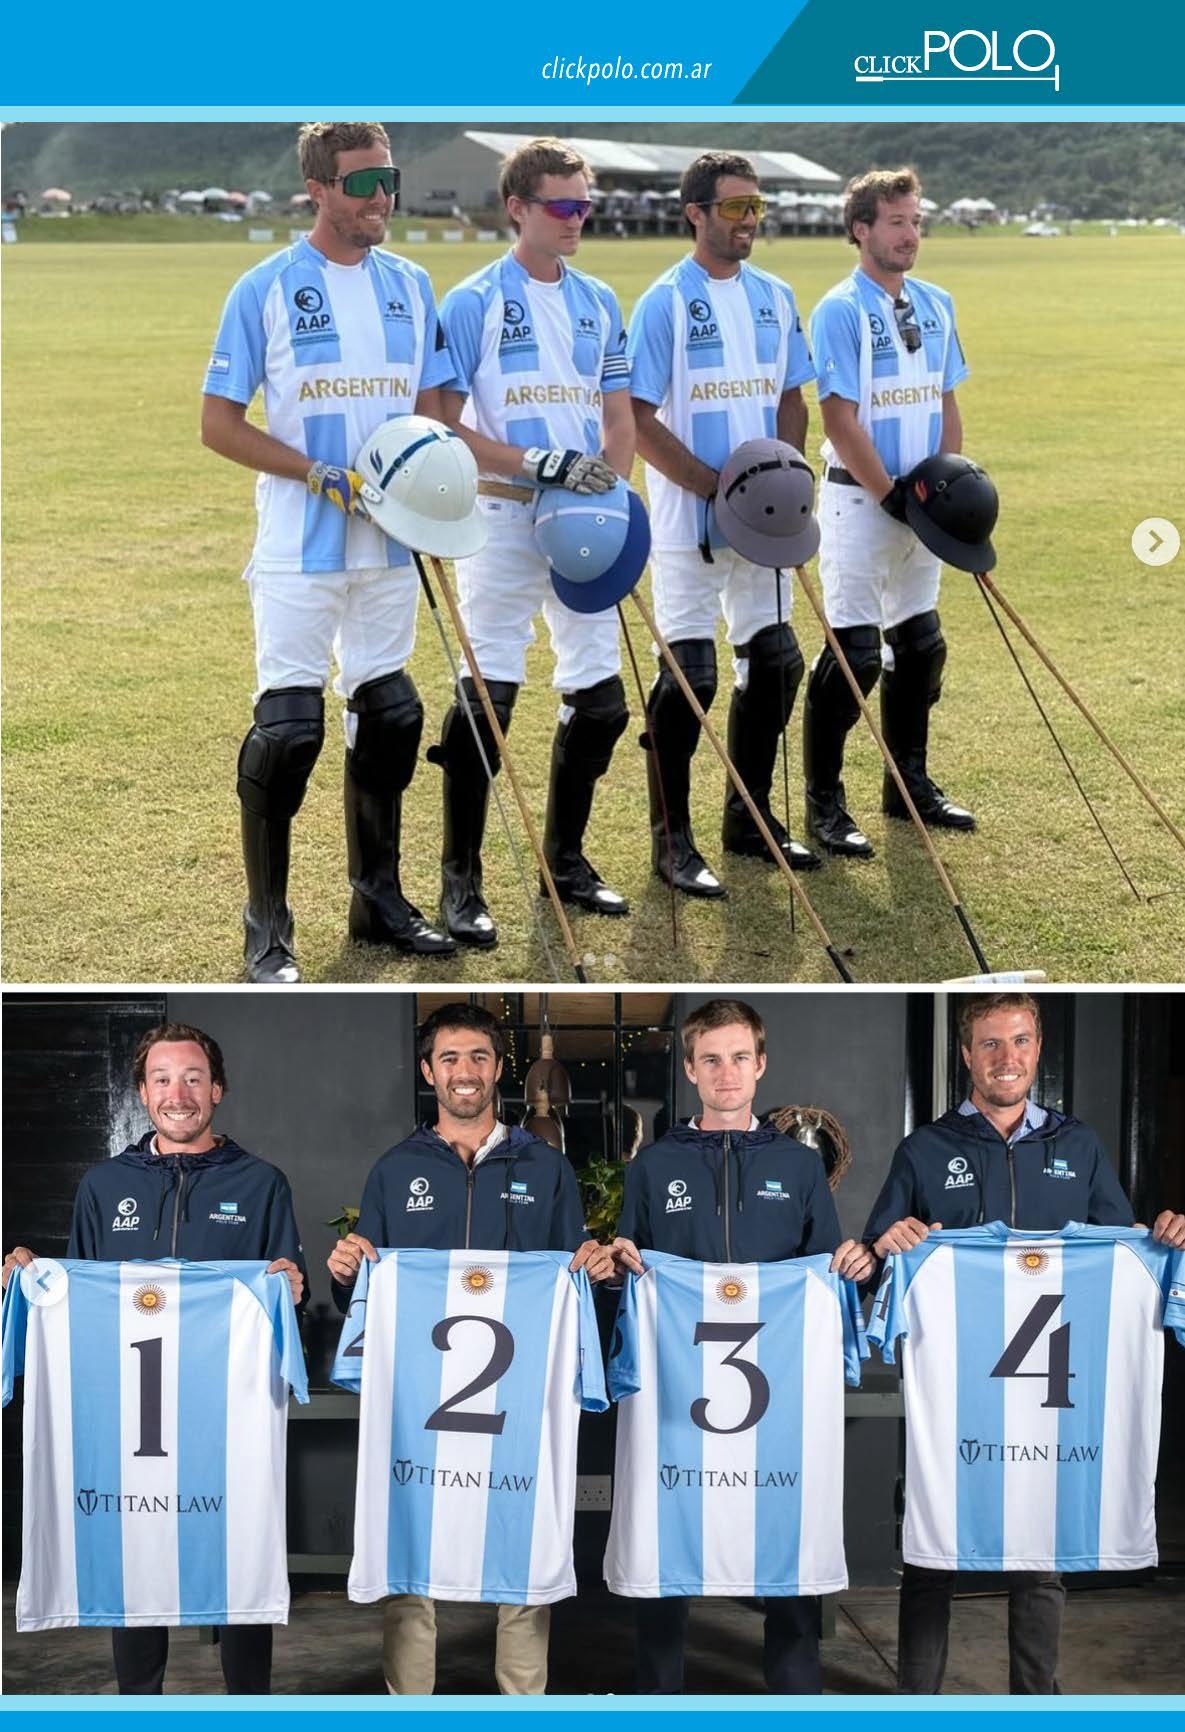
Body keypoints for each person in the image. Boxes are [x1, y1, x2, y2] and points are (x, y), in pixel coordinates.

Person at [863, 991, 1185, 1694]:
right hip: (955, 1387)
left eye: (1019, 1041)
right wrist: (886, 1243)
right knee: (933, 1549)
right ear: (966, 1055)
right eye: (989, 1043)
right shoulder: (925, 1148)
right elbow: (874, 1258)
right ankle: (915, 1705)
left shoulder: (1078, 1144)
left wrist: (1162, 1239)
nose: (1005, 1058)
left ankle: (1034, 1704)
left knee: (1040, 1554)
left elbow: (1120, 1249)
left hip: (1048, 1391)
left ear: (1037, 1050)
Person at [201, 121, 456, 984]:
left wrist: (436, 494)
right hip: (298, 547)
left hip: (389, 547)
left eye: (390, 179)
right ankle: (267, 926)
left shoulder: (412, 285)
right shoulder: (266, 287)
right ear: (317, 189)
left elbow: (432, 416)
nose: (383, 197)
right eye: (362, 183)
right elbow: (218, 424)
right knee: (288, 732)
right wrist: (313, 472)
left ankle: (377, 900)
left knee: (390, 716)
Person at [2, 1021, 307, 1696]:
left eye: (194, 1078)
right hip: (132, 1415)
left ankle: (250, 1707)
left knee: (239, 1552)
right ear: (142, 1092)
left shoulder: (262, 1183)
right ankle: (139, 1707)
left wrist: (291, 1286)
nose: (179, 1093)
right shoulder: (103, 1184)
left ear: (218, 1089)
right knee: (135, 1553)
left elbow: (290, 1293)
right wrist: (33, 1279)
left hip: (226, 1417)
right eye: (163, 1079)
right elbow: (79, 1300)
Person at [327, 1001, 615, 1694]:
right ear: (428, 1071)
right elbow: (368, 1295)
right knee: (409, 1545)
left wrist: (594, 1270)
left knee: (525, 1539)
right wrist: (345, 1275)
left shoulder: (543, 1167)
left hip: (517, 1395)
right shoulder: (395, 1169)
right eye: (449, 1057)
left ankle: (522, 1704)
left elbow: (571, 1284)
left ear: (499, 1068)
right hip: (419, 1398)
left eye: (479, 1057)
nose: (465, 1071)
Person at [610, 998, 874, 1694]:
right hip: (678, 1390)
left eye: (737, 1058)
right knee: (666, 1543)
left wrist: (852, 1264)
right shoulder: (654, 1165)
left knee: (787, 1542)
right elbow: (631, 1268)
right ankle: (658, 1700)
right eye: (710, 1060)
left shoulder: (798, 1165)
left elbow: (823, 1274)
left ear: (760, 1065)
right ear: (690, 1070)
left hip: (776, 1391)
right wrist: (619, 1264)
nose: (725, 1073)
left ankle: (795, 1701)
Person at [431, 138, 635, 948]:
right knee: (488, 698)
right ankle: (460, 880)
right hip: (505, 515)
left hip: (585, 518)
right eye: (562, 204)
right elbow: (443, 424)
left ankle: (566, 861)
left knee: (602, 700)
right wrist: (534, 464)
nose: (576, 218)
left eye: (584, 204)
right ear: (516, 207)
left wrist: (611, 491)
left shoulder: (598, 299)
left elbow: (616, 414)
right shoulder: (474, 300)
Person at [627, 152, 820, 898]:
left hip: (766, 524)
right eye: (735, 208)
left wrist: (782, 480)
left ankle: (750, 818)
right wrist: (716, 488)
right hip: (691, 524)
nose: (748, 221)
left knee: (776, 664)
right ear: (696, 213)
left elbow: (792, 398)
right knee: (689, 680)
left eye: (755, 208)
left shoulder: (774, 295)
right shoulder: (665, 302)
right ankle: (671, 841)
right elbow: (637, 418)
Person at [803, 166, 976, 859]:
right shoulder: (839, 309)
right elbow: (838, 418)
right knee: (853, 656)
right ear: (861, 229)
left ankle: (907, 785)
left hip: (922, 504)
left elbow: (945, 400)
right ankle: (823, 802)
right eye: (896, 222)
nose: (910, 234)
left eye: (915, 221)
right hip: (859, 500)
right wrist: (889, 494)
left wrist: (944, 483)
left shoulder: (936, 302)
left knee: (921, 645)